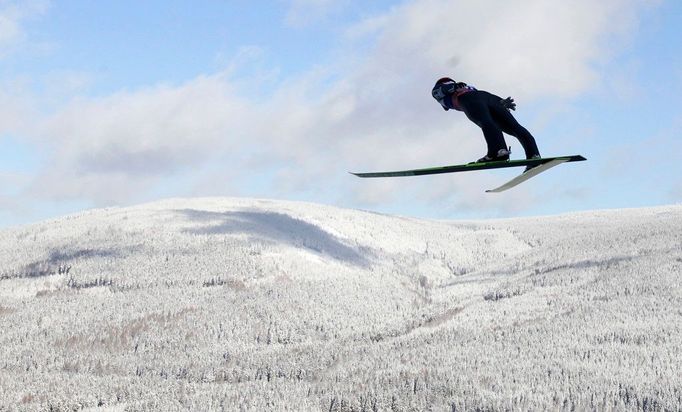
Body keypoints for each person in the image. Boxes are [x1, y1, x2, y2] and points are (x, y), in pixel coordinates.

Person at [431, 77, 541, 164]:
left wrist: (452, 87)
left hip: (468, 100)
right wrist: (501, 101)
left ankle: (498, 152)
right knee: (513, 127)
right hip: (488, 97)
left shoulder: (440, 89)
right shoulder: (468, 87)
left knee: (486, 122)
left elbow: (440, 90)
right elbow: (483, 97)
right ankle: (534, 154)